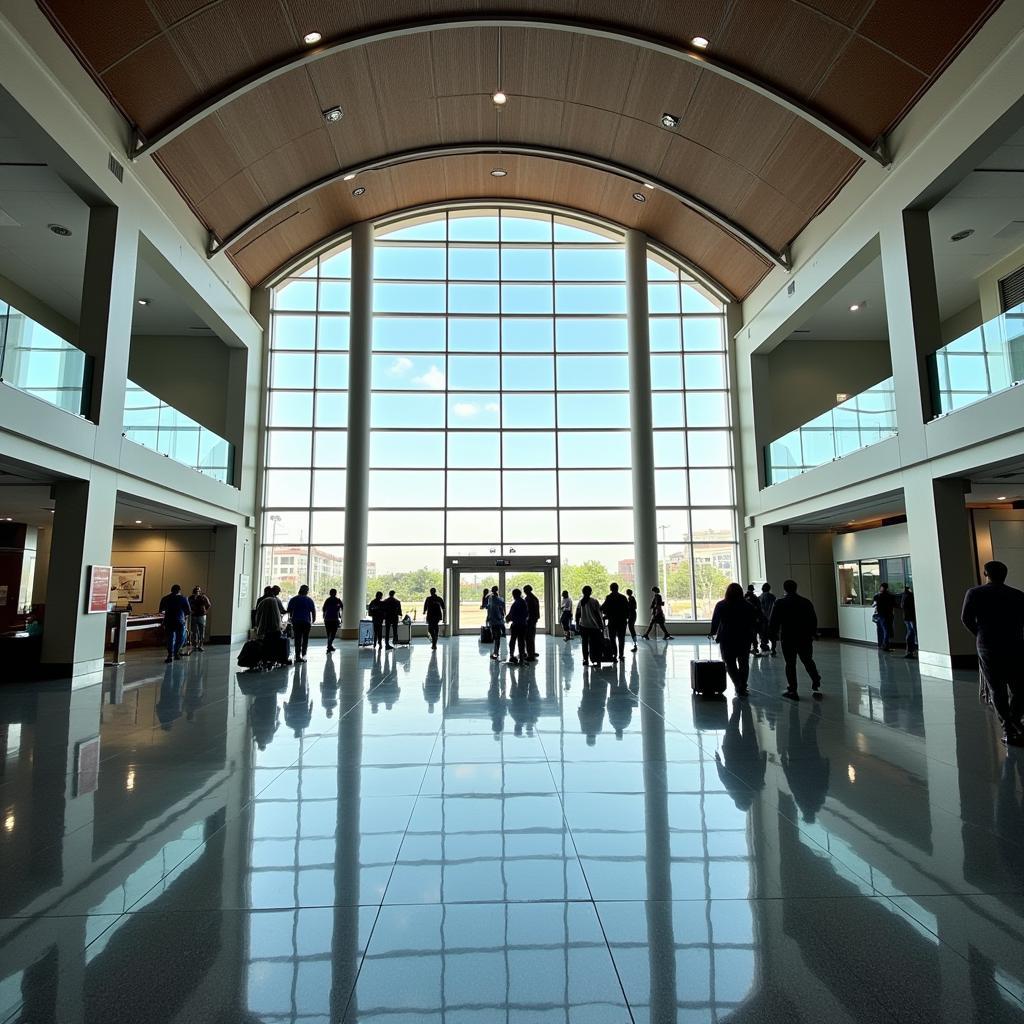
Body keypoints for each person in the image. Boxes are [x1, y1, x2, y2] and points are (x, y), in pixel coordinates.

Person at [961, 560, 1024, 746]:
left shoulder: (975, 593)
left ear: (985, 574)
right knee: (1019, 687)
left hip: (988, 644)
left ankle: (1008, 727)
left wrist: (980, 634)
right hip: (1015, 644)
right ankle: (1014, 721)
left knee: (997, 688)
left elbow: (965, 618)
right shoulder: (1017, 595)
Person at [767, 579, 822, 700]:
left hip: (788, 637)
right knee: (807, 660)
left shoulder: (780, 603)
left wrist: (772, 634)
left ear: (784, 589)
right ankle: (815, 680)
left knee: (790, 664)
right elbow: (813, 619)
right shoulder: (805, 602)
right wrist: (813, 633)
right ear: (796, 588)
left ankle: (792, 690)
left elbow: (774, 621)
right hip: (804, 637)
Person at [709, 583, 759, 696]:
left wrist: (712, 632)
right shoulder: (748, 606)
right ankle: (743, 684)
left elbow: (715, 621)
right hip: (744, 637)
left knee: (730, 663)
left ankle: (738, 684)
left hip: (727, 638)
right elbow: (753, 622)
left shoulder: (721, 605)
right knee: (744, 663)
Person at [158, 584, 190, 663]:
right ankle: (176, 652)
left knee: (170, 638)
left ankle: (170, 654)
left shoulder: (165, 598)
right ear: (179, 590)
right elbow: (188, 611)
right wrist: (184, 616)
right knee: (180, 638)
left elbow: (161, 610)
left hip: (169, 620)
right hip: (180, 621)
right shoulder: (183, 598)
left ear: (171, 590)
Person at [575, 585, 605, 667]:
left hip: (583, 626)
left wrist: (577, 624)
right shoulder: (594, 601)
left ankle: (585, 659)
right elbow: (598, 615)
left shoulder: (581, 602)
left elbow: (577, 615)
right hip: (594, 627)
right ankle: (596, 659)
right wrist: (601, 625)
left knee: (584, 643)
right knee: (595, 643)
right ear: (591, 592)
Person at [286, 584, 316, 662]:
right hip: (306, 622)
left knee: (297, 638)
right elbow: (313, 610)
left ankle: (297, 655)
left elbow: (289, 610)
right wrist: (313, 619)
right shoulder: (309, 600)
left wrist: (291, 616)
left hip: (296, 622)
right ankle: (304, 655)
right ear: (306, 591)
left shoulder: (293, 599)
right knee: (305, 638)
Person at [601, 582, 630, 662]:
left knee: (612, 638)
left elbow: (603, 608)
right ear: (618, 588)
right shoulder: (623, 597)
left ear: (610, 589)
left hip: (612, 621)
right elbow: (628, 610)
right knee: (621, 638)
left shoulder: (609, 597)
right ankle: (621, 655)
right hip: (622, 621)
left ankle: (614, 654)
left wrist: (606, 614)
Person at [505, 588, 530, 665]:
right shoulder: (524, 602)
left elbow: (511, 615)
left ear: (514, 595)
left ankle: (512, 655)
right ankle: (522, 658)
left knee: (512, 640)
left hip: (516, 625)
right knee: (521, 642)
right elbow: (526, 614)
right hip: (523, 625)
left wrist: (508, 619)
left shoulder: (515, 603)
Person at [872, 582, 898, 651]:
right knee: (886, 630)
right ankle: (885, 645)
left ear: (881, 587)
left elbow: (873, 604)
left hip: (879, 615)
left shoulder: (878, 596)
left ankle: (881, 644)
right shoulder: (890, 596)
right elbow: (895, 604)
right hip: (888, 615)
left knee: (880, 630)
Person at [188, 585, 211, 652]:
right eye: (196, 590)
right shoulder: (191, 598)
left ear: (200, 591)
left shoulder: (203, 597)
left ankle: (200, 645)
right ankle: (195, 645)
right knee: (194, 631)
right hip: (194, 615)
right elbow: (188, 605)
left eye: (198, 590)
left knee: (201, 631)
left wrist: (205, 611)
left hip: (201, 615)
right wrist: (190, 611)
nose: (197, 591)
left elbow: (209, 604)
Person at [485, 585, 506, 660]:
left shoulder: (491, 598)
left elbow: (488, 607)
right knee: (496, 637)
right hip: (496, 620)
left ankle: (496, 653)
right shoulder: (497, 599)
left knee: (496, 637)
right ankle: (495, 652)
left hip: (495, 620)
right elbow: (502, 606)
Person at [744, 585, 764, 655]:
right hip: (754, 619)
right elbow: (758, 608)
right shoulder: (755, 597)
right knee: (755, 634)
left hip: (747, 620)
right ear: (753, 589)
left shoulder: (744, 597)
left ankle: (749, 649)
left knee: (750, 635)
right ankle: (755, 648)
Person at [523, 584, 541, 660]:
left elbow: (527, 610)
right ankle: (532, 652)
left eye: (524, 590)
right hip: (534, 619)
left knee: (528, 637)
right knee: (532, 636)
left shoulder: (528, 599)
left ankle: (530, 655)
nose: (524, 591)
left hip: (529, 620)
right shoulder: (534, 597)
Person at [758, 582, 776, 656]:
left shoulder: (759, 597)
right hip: (771, 619)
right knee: (772, 635)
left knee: (763, 634)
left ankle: (764, 647)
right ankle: (773, 649)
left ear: (762, 589)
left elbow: (759, 609)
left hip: (763, 619)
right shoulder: (773, 597)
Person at [901, 586, 917, 659]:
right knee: (912, 632)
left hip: (907, 617)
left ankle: (910, 651)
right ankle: (911, 650)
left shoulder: (904, 596)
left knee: (910, 632)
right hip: (911, 617)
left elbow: (902, 606)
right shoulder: (910, 596)